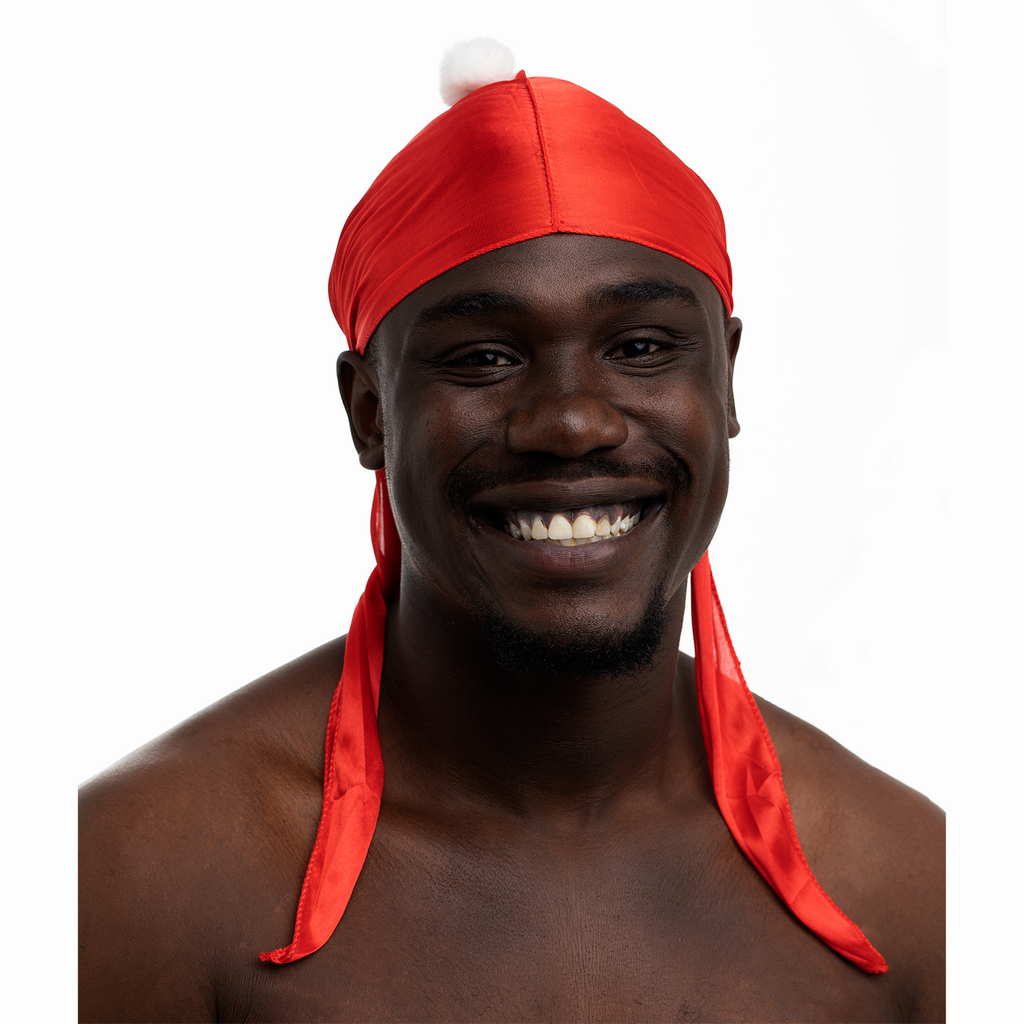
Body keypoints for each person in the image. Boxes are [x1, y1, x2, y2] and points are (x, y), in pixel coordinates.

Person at [79, 41, 944, 1023]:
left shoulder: (909, 889)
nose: (572, 420)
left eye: (641, 347)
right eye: (484, 356)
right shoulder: (139, 877)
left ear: (726, 378)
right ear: (369, 410)